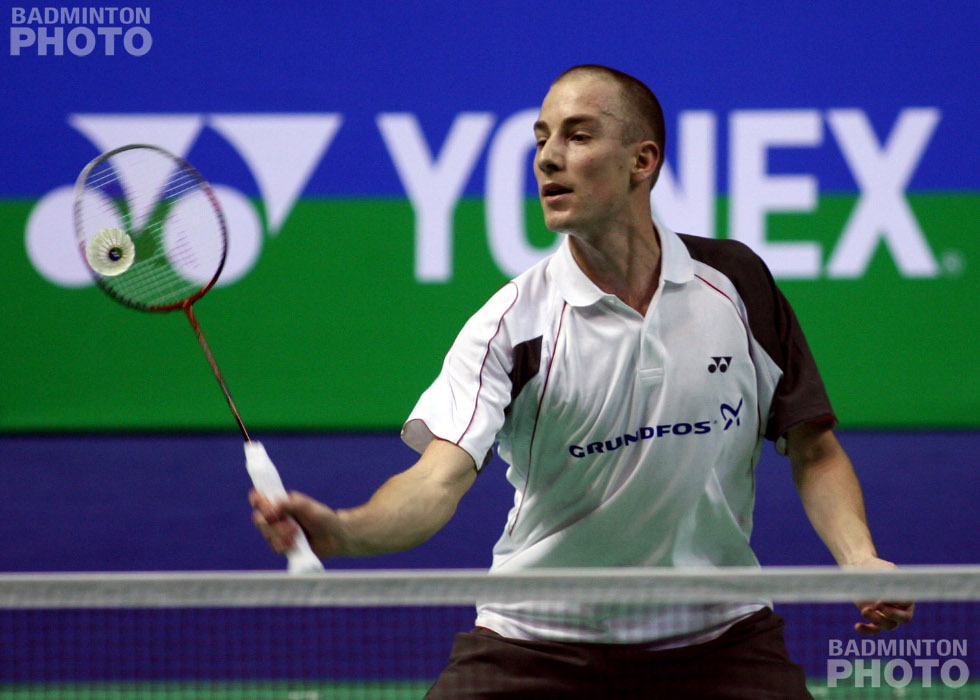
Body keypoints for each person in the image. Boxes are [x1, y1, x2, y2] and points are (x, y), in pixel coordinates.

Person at [251, 64, 913, 698]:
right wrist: (345, 530)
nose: (547, 158)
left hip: (717, 634)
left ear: (642, 161)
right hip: (539, 638)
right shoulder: (512, 325)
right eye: (541, 139)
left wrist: (859, 558)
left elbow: (812, 446)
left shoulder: (737, 285)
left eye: (578, 135)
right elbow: (435, 482)